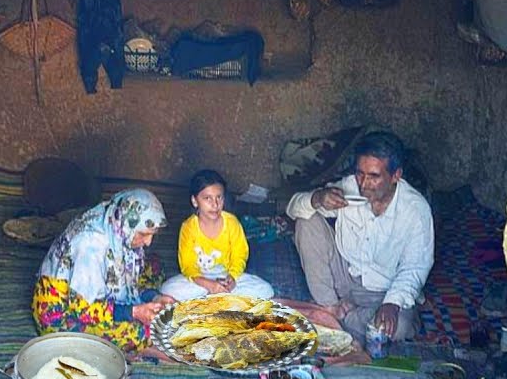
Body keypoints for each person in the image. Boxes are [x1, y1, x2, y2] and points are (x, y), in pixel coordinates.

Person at [286, 131, 433, 345]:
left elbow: (415, 267)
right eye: (360, 174)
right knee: (307, 221)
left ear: (395, 176)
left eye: (374, 176)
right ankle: (329, 307)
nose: (364, 184)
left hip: (383, 292)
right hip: (344, 280)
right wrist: (317, 199)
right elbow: (293, 208)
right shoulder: (348, 188)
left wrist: (392, 303)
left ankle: (334, 318)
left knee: (395, 328)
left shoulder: (415, 210)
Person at [33, 189, 173, 352]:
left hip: (89, 294)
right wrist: (133, 312)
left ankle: (141, 308)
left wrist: (155, 297)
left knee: (154, 267)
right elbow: (82, 310)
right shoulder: (90, 246)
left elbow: (129, 272)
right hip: (62, 313)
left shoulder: (114, 217)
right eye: (143, 234)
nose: (148, 242)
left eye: (152, 234)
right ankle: (147, 348)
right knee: (141, 332)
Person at [160, 170, 275, 302]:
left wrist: (231, 279)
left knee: (265, 290)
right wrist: (208, 284)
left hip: (226, 276)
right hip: (200, 280)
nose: (215, 205)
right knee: (168, 289)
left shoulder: (232, 223)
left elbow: (240, 255)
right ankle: (220, 298)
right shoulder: (188, 227)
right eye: (207, 198)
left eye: (219, 197)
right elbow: (188, 266)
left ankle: (214, 297)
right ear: (195, 201)